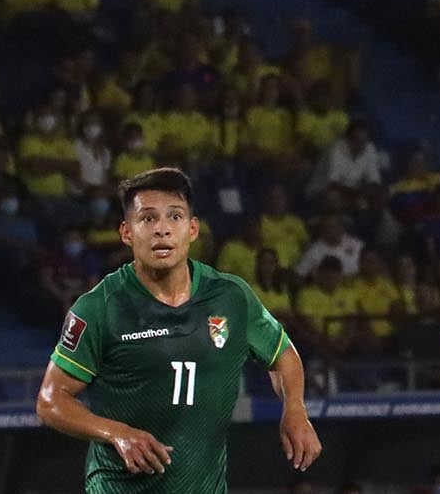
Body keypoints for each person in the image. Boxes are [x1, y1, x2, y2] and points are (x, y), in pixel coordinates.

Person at [34, 167, 321, 490]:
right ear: (127, 233)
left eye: (174, 217)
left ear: (193, 229)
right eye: (148, 219)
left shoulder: (231, 296)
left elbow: (283, 353)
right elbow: (50, 400)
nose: (162, 230)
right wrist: (117, 433)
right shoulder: (99, 307)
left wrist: (295, 409)